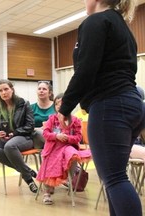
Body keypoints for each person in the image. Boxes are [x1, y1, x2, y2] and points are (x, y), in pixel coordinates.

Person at [57, 1, 144, 215]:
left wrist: (65, 106)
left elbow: (86, 69)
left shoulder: (96, 21)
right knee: (114, 177)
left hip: (109, 106)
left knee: (114, 178)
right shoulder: (121, 26)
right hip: (132, 104)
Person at [36, 93, 91, 205]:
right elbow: (46, 133)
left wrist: (67, 138)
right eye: (57, 104)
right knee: (50, 162)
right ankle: (47, 192)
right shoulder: (52, 119)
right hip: (53, 148)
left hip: (68, 147)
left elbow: (78, 137)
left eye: (63, 103)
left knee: (72, 155)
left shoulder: (75, 120)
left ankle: (68, 177)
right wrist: (56, 136)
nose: (60, 106)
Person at [0, 79, 38, 193]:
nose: (3, 92)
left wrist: (15, 133)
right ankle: (28, 171)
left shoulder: (24, 104)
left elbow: (30, 125)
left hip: (24, 137)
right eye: (0, 91)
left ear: (12, 90)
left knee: (9, 146)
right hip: (6, 139)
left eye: (6, 89)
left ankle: (28, 179)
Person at [31, 81, 55, 149]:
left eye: (44, 89)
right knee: (39, 132)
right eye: (39, 89)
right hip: (37, 138)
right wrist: (38, 129)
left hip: (54, 134)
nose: (41, 91)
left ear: (49, 93)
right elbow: (26, 126)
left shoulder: (56, 106)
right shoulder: (31, 107)